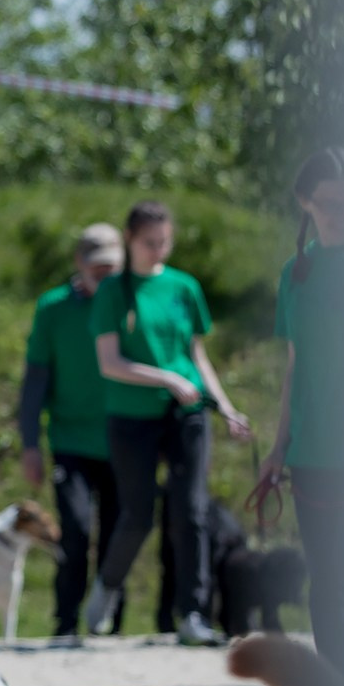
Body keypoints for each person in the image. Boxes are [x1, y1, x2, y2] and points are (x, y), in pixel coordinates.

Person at [82, 201, 251, 645]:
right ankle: (108, 588)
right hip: (132, 416)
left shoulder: (184, 287)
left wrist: (225, 404)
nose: (158, 251)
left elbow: (196, 355)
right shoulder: (113, 292)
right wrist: (165, 378)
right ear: (129, 241)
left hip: (187, 413)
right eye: (149, 243)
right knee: (137, 514)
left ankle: (192, 614)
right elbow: (110, 362)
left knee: (190, 511)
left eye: (165, 242)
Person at [259, 148, 344, 686]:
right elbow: (295, 367)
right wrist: (278, 446)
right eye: (331, 203)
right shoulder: (296, 272)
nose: (343, 213)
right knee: (327, 581)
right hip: (313, 453)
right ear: (305, 202)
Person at [18, 223, 126, 644]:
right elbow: (35, 381)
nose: (105, 275)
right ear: (79, 263)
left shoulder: (129, 301)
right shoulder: (54, 308)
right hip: (71, 442)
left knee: (119, 534)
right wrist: (30, 444)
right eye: (97, 267)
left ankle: (111, 624)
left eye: (112, 267)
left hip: (123, 440)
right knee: (77, 531)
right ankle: (65, 622)